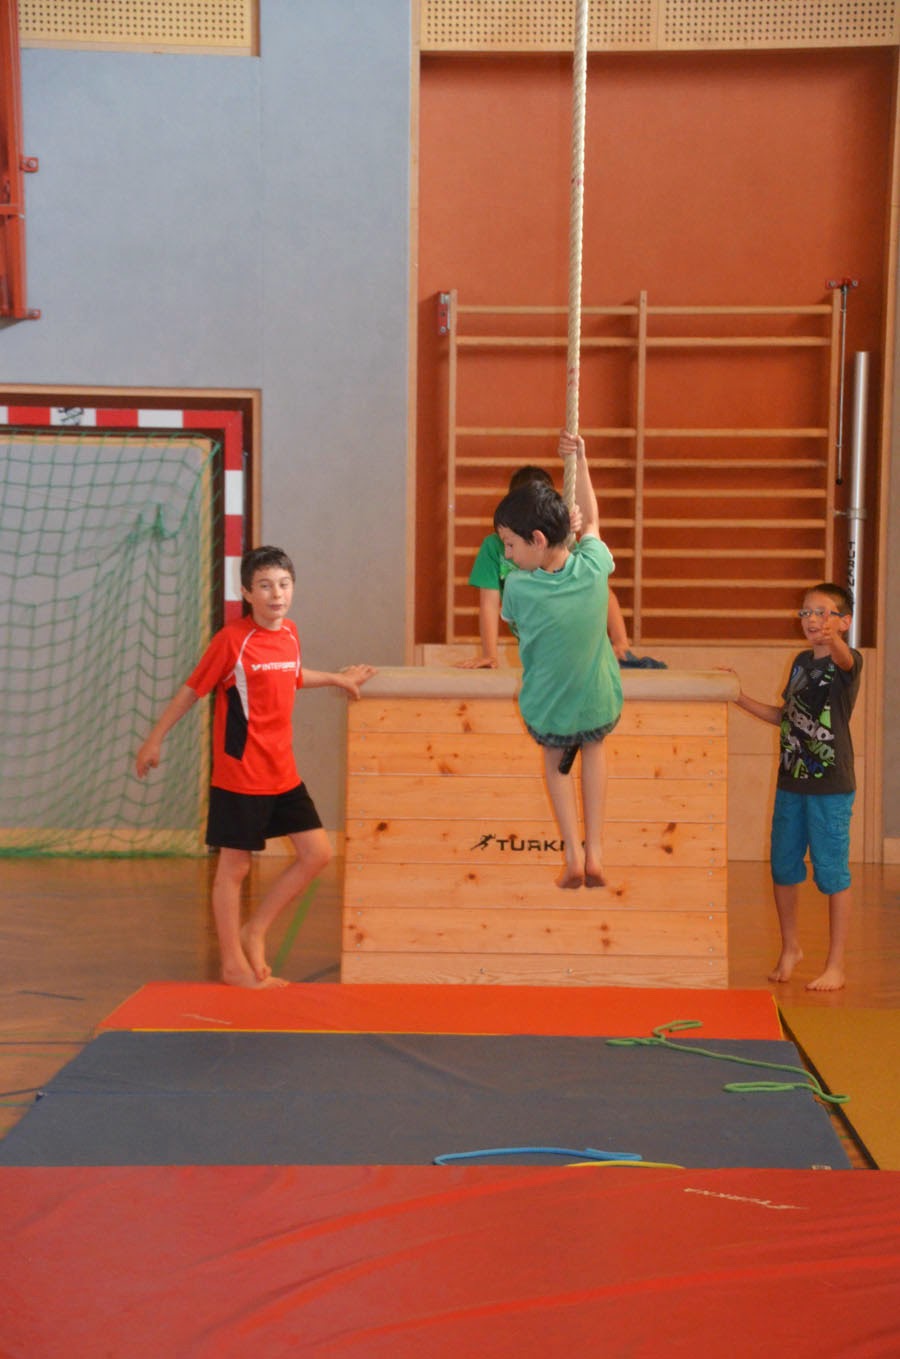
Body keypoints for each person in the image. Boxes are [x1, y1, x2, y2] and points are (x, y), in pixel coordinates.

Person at [135, 545, 376, 989]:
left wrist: (338, 679)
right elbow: (192, 689)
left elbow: (291, 675)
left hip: (283, 772)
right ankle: (232, 965)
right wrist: (155, 738)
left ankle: (255, 930)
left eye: (283, 584)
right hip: (241, 774)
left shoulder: (290, 633)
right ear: (246, 592)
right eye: (264, 586)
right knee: (235, 869)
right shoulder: (231, 640)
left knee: (317, 854)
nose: (276, 594)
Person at [494, 432, 623, 889]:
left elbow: (515, 623)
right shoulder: (594, 565)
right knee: (594, 750)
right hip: (596, 701)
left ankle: (572, 851)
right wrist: (580, 461)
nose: (507, 555)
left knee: (556, 763)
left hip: (551, 706)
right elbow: (594, 521)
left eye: (511, 545)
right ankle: (596, 850)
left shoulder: (518, 587)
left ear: (536, 538)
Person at [726, 583, 862, 992]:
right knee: (783, 867)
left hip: (830, 786)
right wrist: (738, 696)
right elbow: (785, 716)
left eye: (822, 612)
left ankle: (836, 964)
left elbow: (844, 656)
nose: (812, 620)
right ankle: (791, 948)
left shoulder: (846, 661)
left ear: (844, 621)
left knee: (832, 873)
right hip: (791, 782)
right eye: (806, 612)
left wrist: (833, 639)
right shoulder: (801, 662)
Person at [457, 463, 630, 669]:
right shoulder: (494, 547)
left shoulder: (563, 547)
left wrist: (620, 641)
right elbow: (489, 604)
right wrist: (489, 655)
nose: (509, 553)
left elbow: (603, 590)